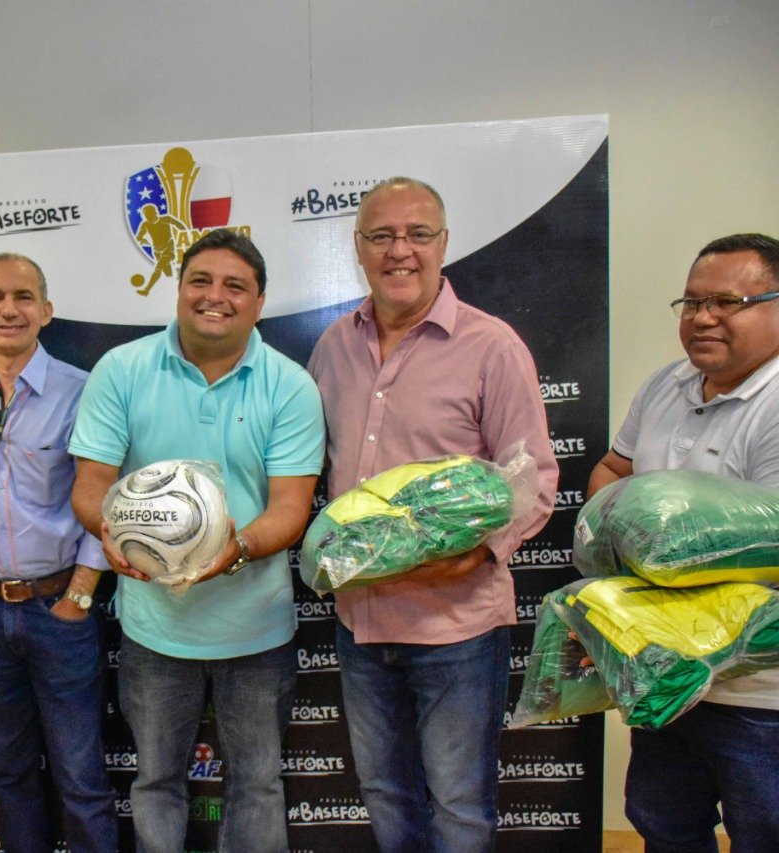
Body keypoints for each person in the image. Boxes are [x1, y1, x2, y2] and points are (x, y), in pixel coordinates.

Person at [307, 177, 558, 852]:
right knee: (386, 795)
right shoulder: (332, 347)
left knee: (459, 805)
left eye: (418, 234)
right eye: (382, 236)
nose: (400, 251)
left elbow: (535, 479)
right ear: (358, 246)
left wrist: (476, 555)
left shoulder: (491, 346)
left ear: (444, 244)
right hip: (362, 622)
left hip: (456, 627)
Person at [70, 228, 324, 852]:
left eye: (235, 286)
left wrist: (235, 551)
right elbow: (90, 487)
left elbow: (291, 509)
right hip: (155, 629)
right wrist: (107, 531)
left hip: (256, 629)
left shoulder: (290, 385)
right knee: (156, 782)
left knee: (257, 786)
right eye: (200, 281)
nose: (215, 296)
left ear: (259, 302)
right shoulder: (122, 370)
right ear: (179, 289)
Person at [587, 233, 779, 851]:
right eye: (692, 302)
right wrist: (613, 569)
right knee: (664, 825)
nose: (703, 318)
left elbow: (769, 549)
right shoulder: (665, 385)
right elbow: (613, 471)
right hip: (666, 680)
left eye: (728, 302)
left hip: (760, 694)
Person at [0, 253, 117, 852]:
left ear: (46, 310)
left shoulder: (81, 392)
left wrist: (79, 596)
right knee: (9, 775)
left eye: (22, 297)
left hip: (57, 609)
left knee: (81, 779)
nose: (8, 310)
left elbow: (106, 500)